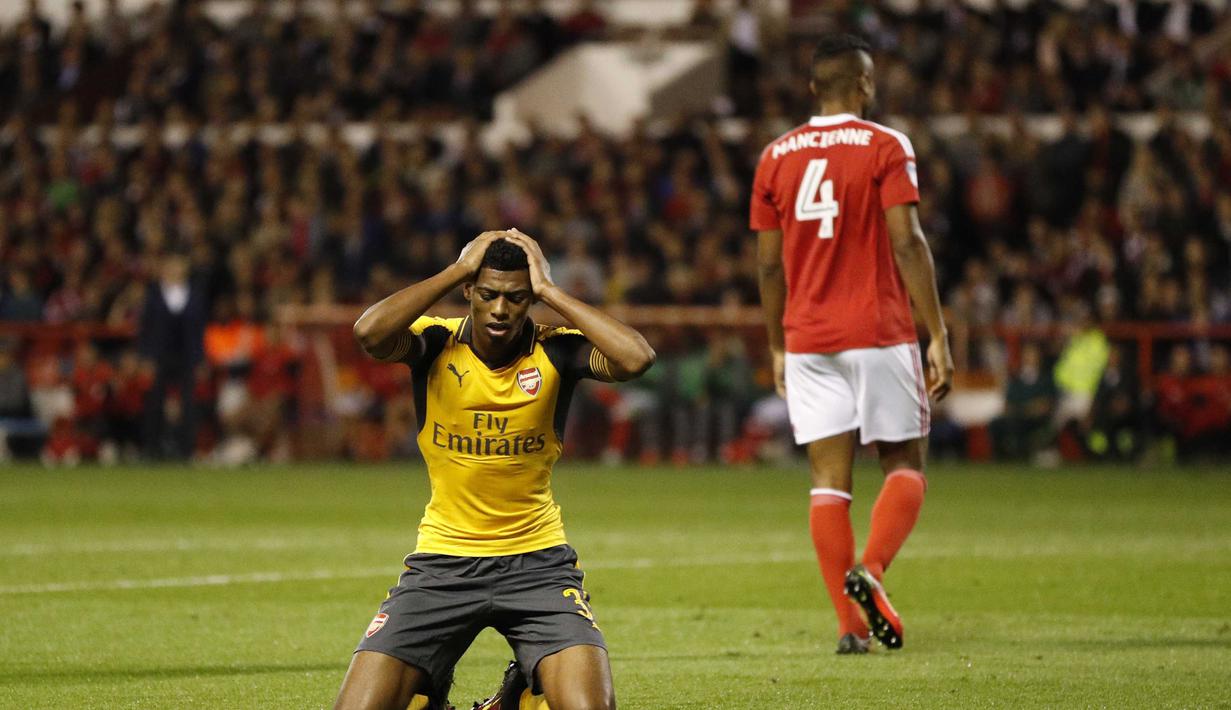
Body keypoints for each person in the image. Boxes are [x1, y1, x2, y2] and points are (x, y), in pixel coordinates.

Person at [334, 230, 654, 710]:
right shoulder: (436, 343)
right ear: (469, 293)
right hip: (442, 563)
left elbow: (636, 358)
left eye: (516, 297)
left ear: (530, 299)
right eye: (488, 294)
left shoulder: (556, 351)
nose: (501, 310)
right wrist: (457, 268)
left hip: (538, 564)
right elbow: (369, 333)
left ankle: (519, 698)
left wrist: (551, 291)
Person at [750, 33, 953, 655]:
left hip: (807, 338)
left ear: (813, 88)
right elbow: (908, 241)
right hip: (878, 330)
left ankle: (849, 627)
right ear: (865, 85)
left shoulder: (776, 155)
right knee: (904, 464)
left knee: (827, 481)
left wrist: (777, 345)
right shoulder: (887, 146)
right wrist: (938, 332)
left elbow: (768, 266)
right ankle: (871, 569)